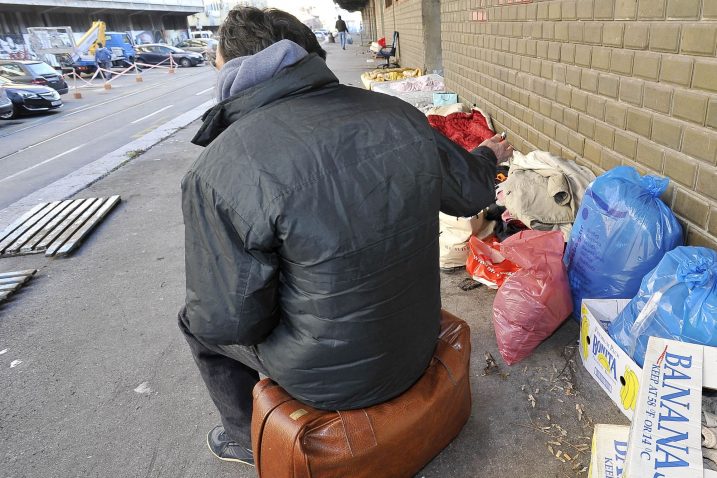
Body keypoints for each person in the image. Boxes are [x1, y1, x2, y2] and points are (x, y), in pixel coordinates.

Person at [179, 6, 513, 467]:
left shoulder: (219, 170)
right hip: (417, 347)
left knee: (195, 323)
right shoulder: (397, 115)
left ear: (237, 72)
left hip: (327, 382)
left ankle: (246, 438)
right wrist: (483, 156)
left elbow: (228, 325)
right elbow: (469, 191)